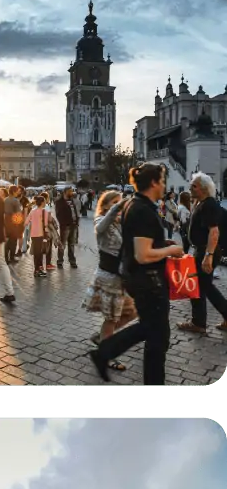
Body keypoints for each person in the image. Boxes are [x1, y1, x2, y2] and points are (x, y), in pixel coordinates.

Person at [90, 162, 184, 384]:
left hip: (140, 280)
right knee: (156, 334)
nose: (164, 185)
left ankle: (107, 354)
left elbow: (138, 244)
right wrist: (171, 249)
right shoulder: (143, 210)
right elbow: (143, 255)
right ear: (153, 182)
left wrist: (161, 242)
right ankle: (104, 353)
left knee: (154, 335)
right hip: (149, 282)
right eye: (162, 181)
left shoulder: (136, 204)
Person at [85, 190, 137, 372]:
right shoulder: (100, 220)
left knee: (132, 312)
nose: (120, 206)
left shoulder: (121, 223)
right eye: (114, 202)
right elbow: (100, 228)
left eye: (120, 202)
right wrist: (117, 207)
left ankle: (102, 338)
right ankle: (106, 355)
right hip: (109, 278)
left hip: (122, 277)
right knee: (111, 319)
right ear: (106, 205)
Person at [178, 172, 227, 335]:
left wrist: (208, 255)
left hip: (207, 250)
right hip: (202, 250)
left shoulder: (209, 204)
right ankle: (201, 321)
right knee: (204, 286)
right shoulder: (201, 203)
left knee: (199, 286)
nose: (190, 188)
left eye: (194, 185)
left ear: (204, 188)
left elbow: (214, 232)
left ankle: (198, 322)